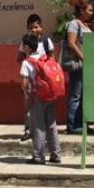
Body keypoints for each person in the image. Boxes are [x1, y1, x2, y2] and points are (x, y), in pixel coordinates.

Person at [20, 33, 63, 165]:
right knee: (51, 125)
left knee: (38, 126)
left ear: (27, 47)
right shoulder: (45, 58)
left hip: (37, 96)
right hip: (50, 95)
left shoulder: (26, 63)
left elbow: (24, 83)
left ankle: (38, 156)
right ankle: (55, 154)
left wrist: (27, 95)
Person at [15, 14, 54, 141]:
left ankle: (44, 131)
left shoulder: (46, 41)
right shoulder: (25, 42)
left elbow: (52, 58)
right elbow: (19, 58)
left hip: (44, 82)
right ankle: (28, 130)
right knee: (28, 106)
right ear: (27, 28)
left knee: (44, 107)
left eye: (36, 27)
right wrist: (24, 58)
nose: (34, 30)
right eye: (31, 28)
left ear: (41, 27)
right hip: (30, 81)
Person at [61, 0, 93, 135]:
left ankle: (81, 124)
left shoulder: (84, 24)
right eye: (90, 10)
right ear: (82, 10)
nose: (92, 13)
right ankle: (73, 126)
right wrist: (83, 58)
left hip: (84, 66)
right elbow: (71, 43)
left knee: (83, 95)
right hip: (78, 65)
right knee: (76, 94)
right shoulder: (74, 24)